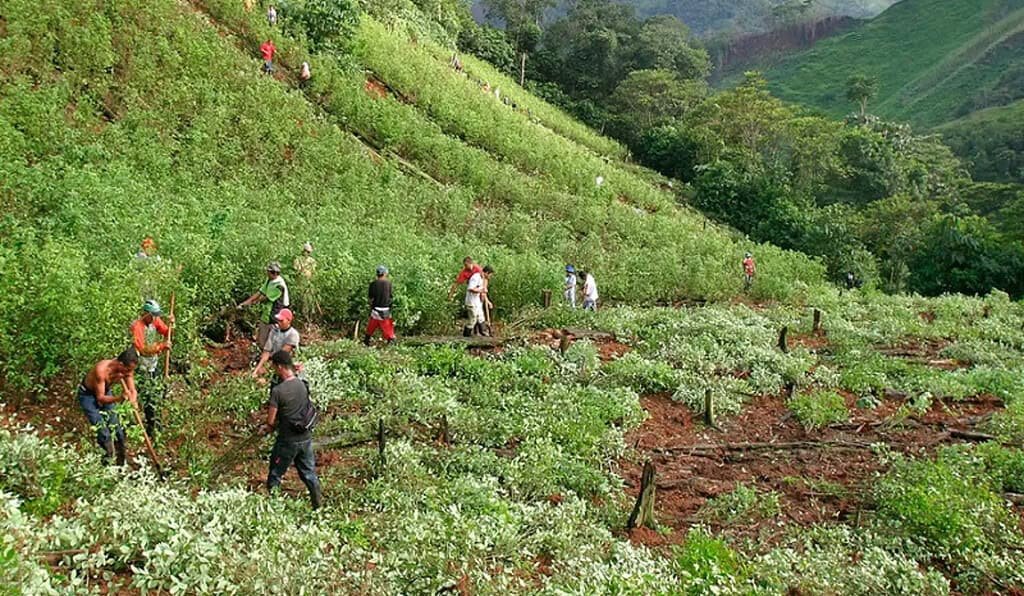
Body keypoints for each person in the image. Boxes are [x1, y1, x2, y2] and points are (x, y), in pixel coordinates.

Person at [261, 350, 322, 509]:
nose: (274, 371)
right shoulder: (302, 384)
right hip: (305, 437)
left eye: (274, 367)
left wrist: (266, 428)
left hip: (287, 441)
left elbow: (270, 420)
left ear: (280, 366)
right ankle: (318, 506)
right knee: (309, 474)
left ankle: (274, 509)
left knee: (275, 474)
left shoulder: (278, 391)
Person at [78, 347, 139, 465]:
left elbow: (133, 390)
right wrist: (119, 398)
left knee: (117, 429)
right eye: (127, 370)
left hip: (106, 391)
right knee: (103, 432)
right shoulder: (101, 371)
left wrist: (133, 398)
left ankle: (121, 463)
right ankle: (107, 464)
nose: (128, 373)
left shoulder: (127, 369)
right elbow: (100, 398)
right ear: (120, 364)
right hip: (88, 395)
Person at [130, 300, 172, 442]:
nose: (155, 318)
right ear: (146, 313)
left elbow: (167, 332)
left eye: (156, 315)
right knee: (148, 397)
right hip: (142, 367)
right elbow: (142, 349)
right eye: (153, 315)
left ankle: (157, 422)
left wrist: (172, 323)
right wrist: (161, 347)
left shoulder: (155, 321)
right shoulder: (137, 326)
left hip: (153, 364)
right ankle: (150, 426)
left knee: (158, 393)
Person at [237, 261, 290, 350]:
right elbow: (260, 292)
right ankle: (263, 351)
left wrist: (252, 303)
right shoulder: (269, 280)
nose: (266, 273)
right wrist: (245, 303)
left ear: (272, 273)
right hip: (267, 312)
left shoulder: (279, 285)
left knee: (272, 338)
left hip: (276, 312)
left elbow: (264, 297)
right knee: (262, 332)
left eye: (268, 271)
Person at [252, 308, 299, 382]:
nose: (279, 323)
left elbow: (282, 355)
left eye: (282, 321)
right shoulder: (274, 330)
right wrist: (256, 370)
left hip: (284, 364)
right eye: (278, 320)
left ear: (289, 321)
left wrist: (267, 369)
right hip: (273, 362)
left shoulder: (293, 334)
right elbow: (266, 352)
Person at [365, 265, 396, 345]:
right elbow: (391, 296)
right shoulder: (389, 283)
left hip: (375, 308)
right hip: (385, 308)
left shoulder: (373, 284)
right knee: (388, 327)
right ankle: (391, 340)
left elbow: (370, 298)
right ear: (385, 273)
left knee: (372, 325)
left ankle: (366, 340)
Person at [463, 265, 494, 337]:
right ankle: (466, 335)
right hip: (471, 301)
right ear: (486, 273)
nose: (490, 277)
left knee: (481, 317)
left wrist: (488, 302)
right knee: (473, 319)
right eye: (490, 275)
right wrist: (481, 290)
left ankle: (484, 333)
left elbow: (483, 293)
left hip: (477, 302)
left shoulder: (483, 279)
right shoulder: (475, 277)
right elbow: (470, 289)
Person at [292, 243, 318, 322]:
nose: (307, 253)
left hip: (309, 283)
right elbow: (296, 271)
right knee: (302, 300)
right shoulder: (297, 260)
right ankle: (301, 315)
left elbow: (314, 272)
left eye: (308, 252)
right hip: (300, 283)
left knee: (309, 300)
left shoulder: (312, 261)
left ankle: (309, 316)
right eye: (306, 251)